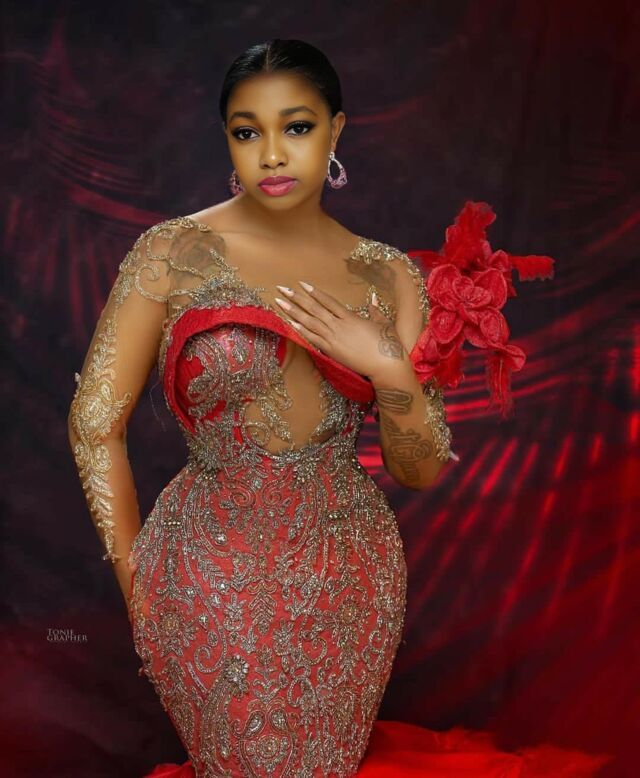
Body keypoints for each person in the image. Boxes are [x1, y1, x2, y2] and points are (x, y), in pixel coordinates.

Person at [68, 38, 607, 778]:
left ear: (336, 130)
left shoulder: (388, 275)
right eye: (247, 132)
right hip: (203, 578)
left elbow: (419, 469)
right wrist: (139, 585)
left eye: (297, 126)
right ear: (227, 140)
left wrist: (388, 369)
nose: (272, 154)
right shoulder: (173, 252)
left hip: (350, 579)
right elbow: (93, 425)